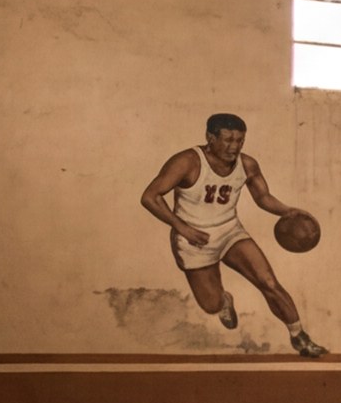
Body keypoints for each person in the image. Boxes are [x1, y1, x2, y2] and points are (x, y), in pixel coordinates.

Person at [140, 114, 327, 357]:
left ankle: (299, 337)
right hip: (193, 239)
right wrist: (182, 227)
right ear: (210, 138)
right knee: (210, 305)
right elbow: (149, 196)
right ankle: (224, 301)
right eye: (228, 140)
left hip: (229, 231)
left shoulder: (247, 164)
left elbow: (262, 198)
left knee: (268, 282)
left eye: (240, 140)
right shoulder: (187, 162)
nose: (234, 147)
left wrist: (288, 210)